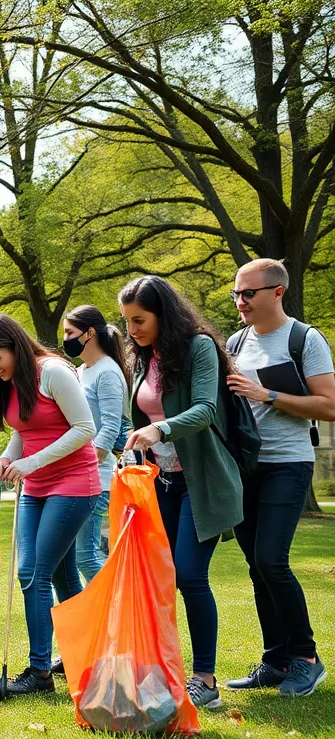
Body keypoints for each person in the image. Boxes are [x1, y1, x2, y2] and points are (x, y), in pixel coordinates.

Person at [121, 275, 243, 709]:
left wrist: (159, 428)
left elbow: (206, 410)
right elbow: (136, 414)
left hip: (202, 480)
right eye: (127, 321)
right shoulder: (140, 358)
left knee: (190, 576)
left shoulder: (198, 347)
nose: (132, 329)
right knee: (160, 581)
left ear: (163, 314)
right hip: (161, 483)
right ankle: (163, 669)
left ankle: (205, 679)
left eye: (140, 320)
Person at [0, 313, 99, 698]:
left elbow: (85, 429)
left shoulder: (54, 372)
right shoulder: (9, 383)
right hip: (36, 486)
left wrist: (31, 462)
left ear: (15, 346)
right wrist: (8, 459)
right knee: (60, 578)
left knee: (32, 574)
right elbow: (23, 433)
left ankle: (40, 671)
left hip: (75, 483)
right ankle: (86, 655)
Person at [225, 259, 333, 697]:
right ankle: (275, 661)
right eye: (236, 293)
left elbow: (328, 406)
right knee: (255, 565)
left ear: (277, 292)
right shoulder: (236, 340)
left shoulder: (304, 339)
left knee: (272, 559)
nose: (240, 301)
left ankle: (307, 658)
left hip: (287, 463)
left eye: (248, 293)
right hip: (245, 466)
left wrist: (267, 394)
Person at [62, 305, 131, 582]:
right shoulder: (82, 370)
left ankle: (120, 610)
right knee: (74, 555)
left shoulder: (108, 372)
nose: (65, 338)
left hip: (96, 477)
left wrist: (85, 464)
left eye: (70, 332)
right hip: (75, 475)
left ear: (89, 333)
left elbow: (111, 428)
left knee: (86, 555)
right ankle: (96, 618)